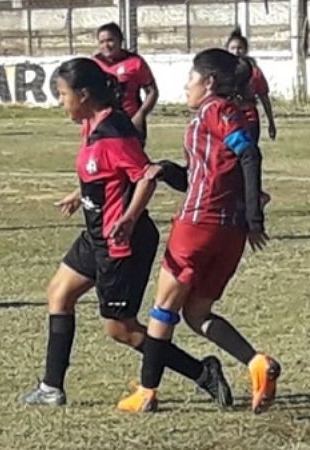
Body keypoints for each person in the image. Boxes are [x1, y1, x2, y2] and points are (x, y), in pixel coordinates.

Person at [21, 58, 231, 408]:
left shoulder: (116, 132)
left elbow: (146, 175)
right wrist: (81, 194)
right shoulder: (91, 124)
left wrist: (130, 218)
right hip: (96, 233)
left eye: (62, 94)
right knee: (59, 292)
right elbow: (103, 171)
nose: (61, 102)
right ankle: (51, 387)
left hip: (122, 242)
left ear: (84, 95)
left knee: (120, 329)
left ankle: (201, 372)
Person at [117, 49, 280, 414]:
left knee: (163, 309)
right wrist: (166, 170)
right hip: (228, 232)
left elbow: (249, 155)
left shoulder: (215, 110)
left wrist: (255, 216)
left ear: (208, 83)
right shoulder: (216, 115)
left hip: (199, 224)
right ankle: (257, 363)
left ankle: (146, 393)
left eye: (191, 77)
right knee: (197, 312)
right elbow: (206, 175)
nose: (186, 84)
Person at [92, 22, 158, 143]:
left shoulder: (135, 62)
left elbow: (152, 91)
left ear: (120, 40)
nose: (106, 45)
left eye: (110, 40)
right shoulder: (94, 64)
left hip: (130, 121)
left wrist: (141, 114)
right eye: (101, 42)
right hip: (103, 123)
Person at [226, 27, 277, 144]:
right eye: (232, 48)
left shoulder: (254, 71)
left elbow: (264, 97)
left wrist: (271, 122)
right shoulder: (222, 72)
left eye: (240, 48)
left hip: (249, 119)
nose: (236, 52)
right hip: (228, 118)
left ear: (245, 50)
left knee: (250, 153)